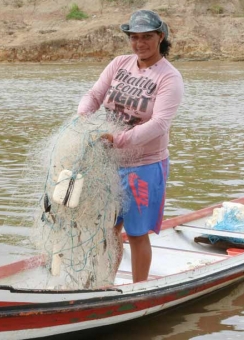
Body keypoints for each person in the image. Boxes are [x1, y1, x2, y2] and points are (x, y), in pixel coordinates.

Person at [77, 9, 184, 283]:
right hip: (110, 164)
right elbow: (94, 95)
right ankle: (105, 284)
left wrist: (118, 140)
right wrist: (82, 116)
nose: (140, 44)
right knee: (108, 229)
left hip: (144, 166)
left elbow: (159, 123)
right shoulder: (119, 63)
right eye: (134, 37)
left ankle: (139, 289)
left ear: (160, 36)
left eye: (147, 37)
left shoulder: (169, 78)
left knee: (136, 234)